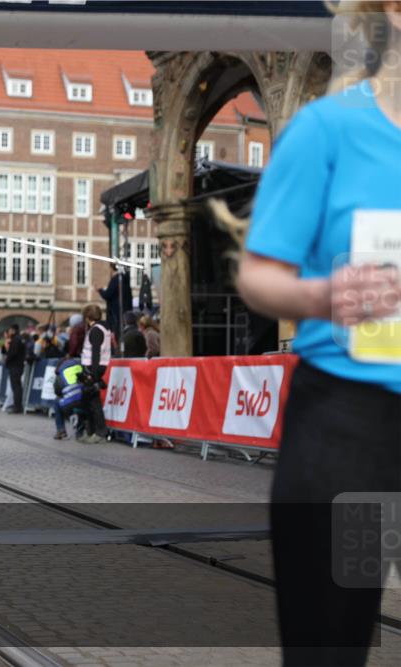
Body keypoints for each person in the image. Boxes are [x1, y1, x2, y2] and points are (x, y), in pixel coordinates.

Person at [234, 4, 401, 664]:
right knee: (334, 637)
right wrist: (323, 295)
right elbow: (258, 275)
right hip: (353, 426)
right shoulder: (329, 130)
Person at [79, 304, 111, 444]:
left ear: (87, 317)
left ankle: (100, 432)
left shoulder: (96, 330)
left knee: (94, 403)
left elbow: (96, 353)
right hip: (95, 367)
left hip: (93, 368)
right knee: (89, 401)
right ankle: (91, 430)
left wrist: (93, 374)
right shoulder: (102, 328)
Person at [99, 264, 133, 339]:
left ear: (112, 269)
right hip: (124, 311)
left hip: (115, 313)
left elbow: (108, 294)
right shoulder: (125, 279)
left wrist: (100, 290)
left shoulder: (116, 279)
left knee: (116, 335)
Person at [3, 324, 26, 413]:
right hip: (16, 365)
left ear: (13, 330)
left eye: (9, 330)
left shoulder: (16, 339)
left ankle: (18, 406)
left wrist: (7, 360)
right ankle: (17, 405)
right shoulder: (16, 339)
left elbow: (13, 353)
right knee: (16, 386)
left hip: (16, 366)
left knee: (16, 386)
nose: (8, 332)